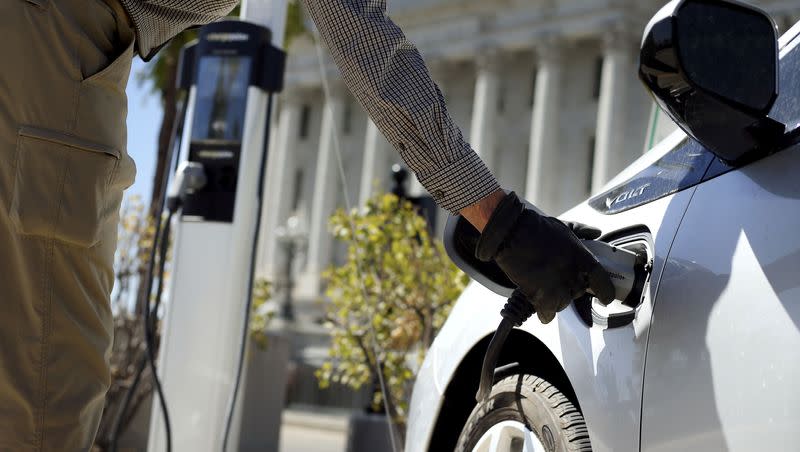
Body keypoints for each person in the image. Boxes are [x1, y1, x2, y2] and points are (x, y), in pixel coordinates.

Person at [0, 0, 611, 449]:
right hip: (49, 40)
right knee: (43, 400)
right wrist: (497, 218)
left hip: (58, 44)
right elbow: (362, 38)